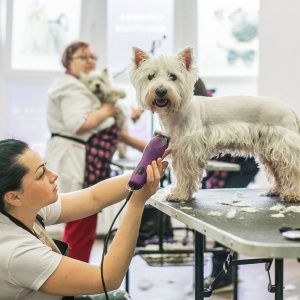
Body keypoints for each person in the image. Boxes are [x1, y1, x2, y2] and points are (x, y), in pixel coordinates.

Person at [0, 138, 169, 299]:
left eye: (46, 166)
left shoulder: (22, 208)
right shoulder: (16, 252)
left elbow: (93, 198)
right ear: (13, 197)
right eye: (41, 175)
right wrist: (136, 203)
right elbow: (106, 278)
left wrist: (143, 172)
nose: (53, 175)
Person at [44, 40, 146, 262]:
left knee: (83, 224)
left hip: (86, 161)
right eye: (83, 56)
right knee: (80, 224)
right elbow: (78, 123)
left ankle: (75, 279)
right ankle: (75, 283)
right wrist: (109, 109)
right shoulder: (69, 86)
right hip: (75, 159)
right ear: (68, 61)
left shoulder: (82, 85)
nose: (90, 61)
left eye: (93, 57)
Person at [194, 78, 259, 293]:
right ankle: (222, 274)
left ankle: (223, 276)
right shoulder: (199, 110)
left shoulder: (207, 111)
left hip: (244, 164)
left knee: (224, 217)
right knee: (220, 217)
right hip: (225, 165)